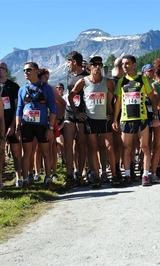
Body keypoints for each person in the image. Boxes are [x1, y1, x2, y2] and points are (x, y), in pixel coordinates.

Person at [69, 56, 118, 188]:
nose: (98, 67)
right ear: (89, 67)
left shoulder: (107, 82)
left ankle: (113, 175)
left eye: (100, 65)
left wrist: (112, 113)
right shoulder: (83, 81)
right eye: (95, 65)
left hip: (104, 119)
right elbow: (71, 95)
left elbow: (115, 97)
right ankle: (96, 176)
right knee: (93, 148)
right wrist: (77, 113)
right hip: (90, 119)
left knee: (110, 147)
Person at [112, 54, 160, 186]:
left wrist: (155, 116)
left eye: (127, 63)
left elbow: (153, 99)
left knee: (144, 147)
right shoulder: (121, 82)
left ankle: (145, 175)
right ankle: (127, 174)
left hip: (142, 119)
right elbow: (117, 102)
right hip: (126, 119)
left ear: (134, 65)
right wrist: (115, 119)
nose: (124, 66)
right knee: (126, 148)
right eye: (123, 64)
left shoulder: (143, 80)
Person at [15, 62, 57, 190]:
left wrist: (51, 128)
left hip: (42, 125)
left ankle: (48, 178)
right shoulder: (22, 89)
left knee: (46, 152)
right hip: (27, 125)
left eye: (28, 70)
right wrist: (17, 127)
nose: (25, 72)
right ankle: (26, 179)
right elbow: (19, 108)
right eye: (24, 70)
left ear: (36, 71)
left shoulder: (46, 88)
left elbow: (53, 109)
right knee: (27, 152)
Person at [0, 61, 22, 187]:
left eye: (1, 68)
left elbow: (17, 108)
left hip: (11, 123)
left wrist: (13, 125)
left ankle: (19, 178)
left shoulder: (14, 87)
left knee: (16, 152)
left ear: (6, 71)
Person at [62, 51, 89, 188]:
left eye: (68, 62)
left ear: (74, 62)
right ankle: (69, 175)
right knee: (68, 144)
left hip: (82, 114)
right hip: (69, 112)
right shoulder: (69, 76)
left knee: (81, 144)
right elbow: (69, 94)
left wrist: (80, 113)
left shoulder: (86, 77)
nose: (67, 65)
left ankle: (80, 174)